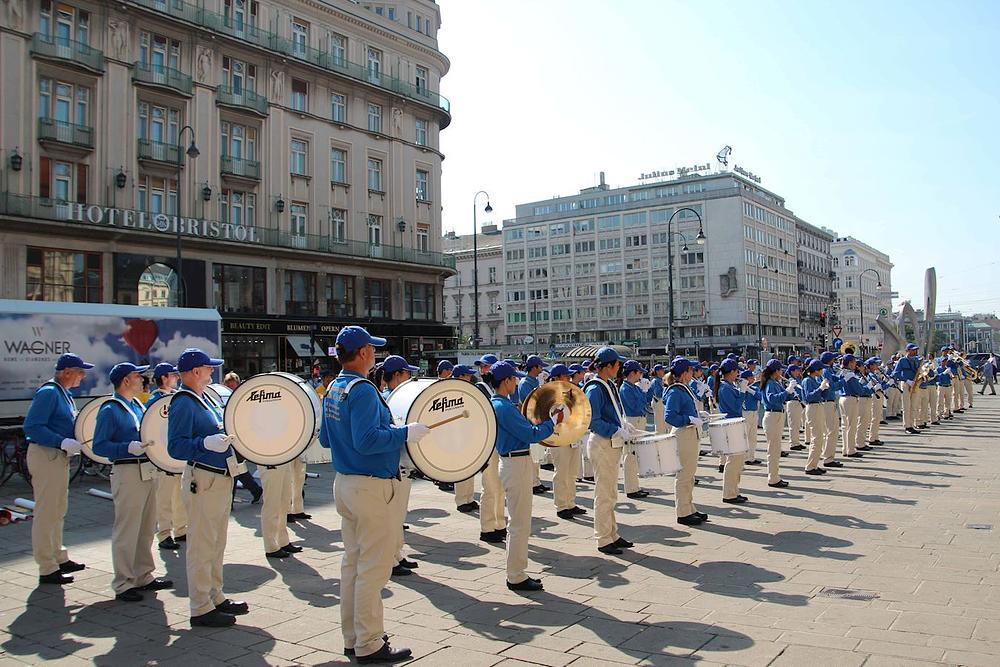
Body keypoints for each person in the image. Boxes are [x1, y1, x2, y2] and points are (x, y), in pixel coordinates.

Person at [320, 326, 427, 663]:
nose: (376, 355)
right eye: (373, 349)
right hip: (370, 486)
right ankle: (370, 643)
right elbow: (367, 440)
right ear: (363, 353)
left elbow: (326, 439)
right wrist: (404, 433)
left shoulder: (335, 387)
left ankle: (353, 638)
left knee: (352, 564)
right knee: (372, 569)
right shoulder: (363, 389)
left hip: (346, 482)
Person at [167, 348, 249, 627]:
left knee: (216, 542)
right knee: (202, 545)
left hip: (218, 476)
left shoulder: (201, 398)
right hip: (203, 478)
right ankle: (200, 606)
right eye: (207, 368)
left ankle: (215, 595)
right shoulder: (183, 402)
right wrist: (204, 444)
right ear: (193, 372)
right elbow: (175, 446)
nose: (212, 371)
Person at [93, 362, 173, 601]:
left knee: (147, 526)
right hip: (127, 472)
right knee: (128, 529)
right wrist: (126, 447)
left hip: (146, 470)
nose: (143, 380)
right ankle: (124, 582)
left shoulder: (136, 405)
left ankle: (143, 574)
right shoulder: (110, 408)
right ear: (125, 381)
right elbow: (99, 446)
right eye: (138, 377)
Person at [489, 361, 564, 592]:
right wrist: (551, 423)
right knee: (519, 523)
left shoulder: (501, 404)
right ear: (506, 381)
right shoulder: (502, 406)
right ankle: (516, 575)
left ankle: (517, 572)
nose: (517, 382)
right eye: (514, 379)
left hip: (514, 461)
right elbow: (529, 434)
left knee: (519, 521)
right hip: (515, 462)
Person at [23, 353, 92, 585]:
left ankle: (58, 557)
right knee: (47, 512)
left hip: (55, 456)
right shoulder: (50, 392)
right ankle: (47, 567)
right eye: (80, 372)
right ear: (67, 373)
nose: (83, 377)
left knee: (57, 509)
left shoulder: (63, 393)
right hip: (46, 455)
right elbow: (32, 426)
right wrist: (61, 441)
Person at [585, 347, 640, 555]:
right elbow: (593, 421)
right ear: (607, 366)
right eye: (618, 364)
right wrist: (615, 430)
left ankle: (612, 533)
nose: (620, 368)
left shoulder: (608, 385)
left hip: (610, 442)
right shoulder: (595, 388)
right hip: (602, 442)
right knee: (604, 493)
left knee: (610, 492)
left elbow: (612, 413)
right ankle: (602, 538)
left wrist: (623, 424)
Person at [379, 355, 422, 577]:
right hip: (393, 466)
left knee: (398, 515)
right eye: (407, 373)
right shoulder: (387, 399)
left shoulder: (395, 398)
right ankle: (391, 559)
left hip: (401, 466)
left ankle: (397, 553)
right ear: (397, 375)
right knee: (393, 515)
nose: (409, 377)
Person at [146, 363, 187, 551]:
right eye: (173, 375)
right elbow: (150, 428)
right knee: (163, 498)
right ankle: (164, 533)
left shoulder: (174, 397)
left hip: (176, 457)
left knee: (179, 496)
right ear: (163, 378)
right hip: (162, 457)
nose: (177, 378)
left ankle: (180, 529)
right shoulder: (154, 401)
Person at [664, 357, 708, 524]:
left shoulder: (684, 388)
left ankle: (689, 507)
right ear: (684, 372)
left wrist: (698, 416)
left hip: (690, 433)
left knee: (689, 475)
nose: (694, 373)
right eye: (691, 370)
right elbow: (669, 417)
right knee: (684, 475)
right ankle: (682, 512)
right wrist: (689, 420)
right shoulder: (676, 391)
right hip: (683, 434)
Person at [471, 360, 507, 543]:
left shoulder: (492, 389)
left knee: (499, 488)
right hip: (488, 443)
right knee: (490, 487)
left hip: (497, 441)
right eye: (482, 367)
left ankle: (499, 523)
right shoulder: (479, 387)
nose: (483, 369)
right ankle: (487, 526)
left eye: (486, 366)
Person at [545, 364, 584, 520]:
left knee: (572, 472)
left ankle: (570, 503)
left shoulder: (571, 392)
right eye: (565, 376)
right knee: (561, 472)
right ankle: (561, 506)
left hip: (572, 436)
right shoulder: (548, 394)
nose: (568, 378)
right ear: (556, 377)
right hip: (558, 437)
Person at [449, 365, 481, 514]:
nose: (470, 378)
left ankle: (469, 497)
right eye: (467, 375)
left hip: (468, 434)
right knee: (461, 468)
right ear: (460, 376)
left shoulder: (467, 391)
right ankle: (461, 500)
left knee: (470, 468)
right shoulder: (451, 392)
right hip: (457, 435)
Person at [714, 359, 748, 501]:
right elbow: (734, 407)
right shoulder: (725, 388)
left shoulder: (728, 385)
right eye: (736, 371)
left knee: (738, 460)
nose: (738, 374)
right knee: (733, 461)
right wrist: (742, 392)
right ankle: (729, 493)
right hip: (730, 425)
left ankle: (734, 490)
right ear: (732, 371)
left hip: (735, 424)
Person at [517, 355, 549, 495]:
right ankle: (533, 483)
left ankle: (536, 481)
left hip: (537, 420)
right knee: (532, 455)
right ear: (534, 367)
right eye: (540, 366)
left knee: (536, 455)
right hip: (530, 421)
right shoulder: (525, 383)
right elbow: (529, 403)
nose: (541, 369)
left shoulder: (534, 381)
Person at [618, 359, 650, 500]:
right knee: (630, 455)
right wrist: (643, 393)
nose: (640, 376)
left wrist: (645, 391)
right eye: (639, 372)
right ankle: (631, 488)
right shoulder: (625, 388)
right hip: (632, 420)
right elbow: (634, 406)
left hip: (638, 419)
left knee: (634, 455)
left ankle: (635, 486)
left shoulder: (634, 387)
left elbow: (645, 403)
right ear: (632, 373)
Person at [760, 359, 793, 488]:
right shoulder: (770, 383)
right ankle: (773, 478)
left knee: (775, 448)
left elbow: (784, 397)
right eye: (780, 370)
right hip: (772, 415)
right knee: (773, 449)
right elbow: (772, 398)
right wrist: (786, 391)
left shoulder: (775, 382)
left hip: (777, 415)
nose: (782, 372)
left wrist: (791, 392)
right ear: (776, 371)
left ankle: (775, 476)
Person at [801, 360, 830, 475]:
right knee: (816, 438)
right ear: (816, 370)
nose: (822, 371)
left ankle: (814, 464)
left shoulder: (813, 379)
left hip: (817, 406)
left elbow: (821, 395)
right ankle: (810, 466)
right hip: (812, 407)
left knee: (819, 437)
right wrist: (820, 388)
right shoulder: (807, 380)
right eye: (821, 369)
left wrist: (825, 388)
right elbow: (808, 396)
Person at [838, 354, 865, 459]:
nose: (855, 365)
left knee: (845, 426)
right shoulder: (850, 374)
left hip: (843, 398)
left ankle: (845, 449)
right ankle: (851, 450)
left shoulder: (841, 372)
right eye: (854, 362)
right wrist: (863, 387)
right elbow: (857, 389)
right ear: (850, 363)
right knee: (851, 426)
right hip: (850, 399)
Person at [892, 344, 922, 434]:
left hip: (915, 383)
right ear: (907, 350)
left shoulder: (916, 360)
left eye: (915, 350)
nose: (915, 352)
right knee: (906, 406)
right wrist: (906, 380)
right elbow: (896, 373)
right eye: (913, 350)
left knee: (914, 406)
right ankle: (907, 426)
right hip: (906, 384)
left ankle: (912, 425)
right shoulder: (902, 360)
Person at [739, 370, 762, 465]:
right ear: (746, 379)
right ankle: (744, 458)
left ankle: (751, 457)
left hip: (754, 412)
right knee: (745, 436)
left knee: (753, 437)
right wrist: (744, 389)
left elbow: (760, 397)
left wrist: (751, 391)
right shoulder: (740, 388)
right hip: (745, 413)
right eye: (751, 377)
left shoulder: (754, 388)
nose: (753, 379)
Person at [784, 364, 806, 452]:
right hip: (792, 402)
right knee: (793, 424)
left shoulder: (798, 378)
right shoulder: (789, 380)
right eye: (797, 370)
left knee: (797, 424)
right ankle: (793, 443)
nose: (799, 371)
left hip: (798, 403)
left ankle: (796, 442)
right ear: (792, 371)